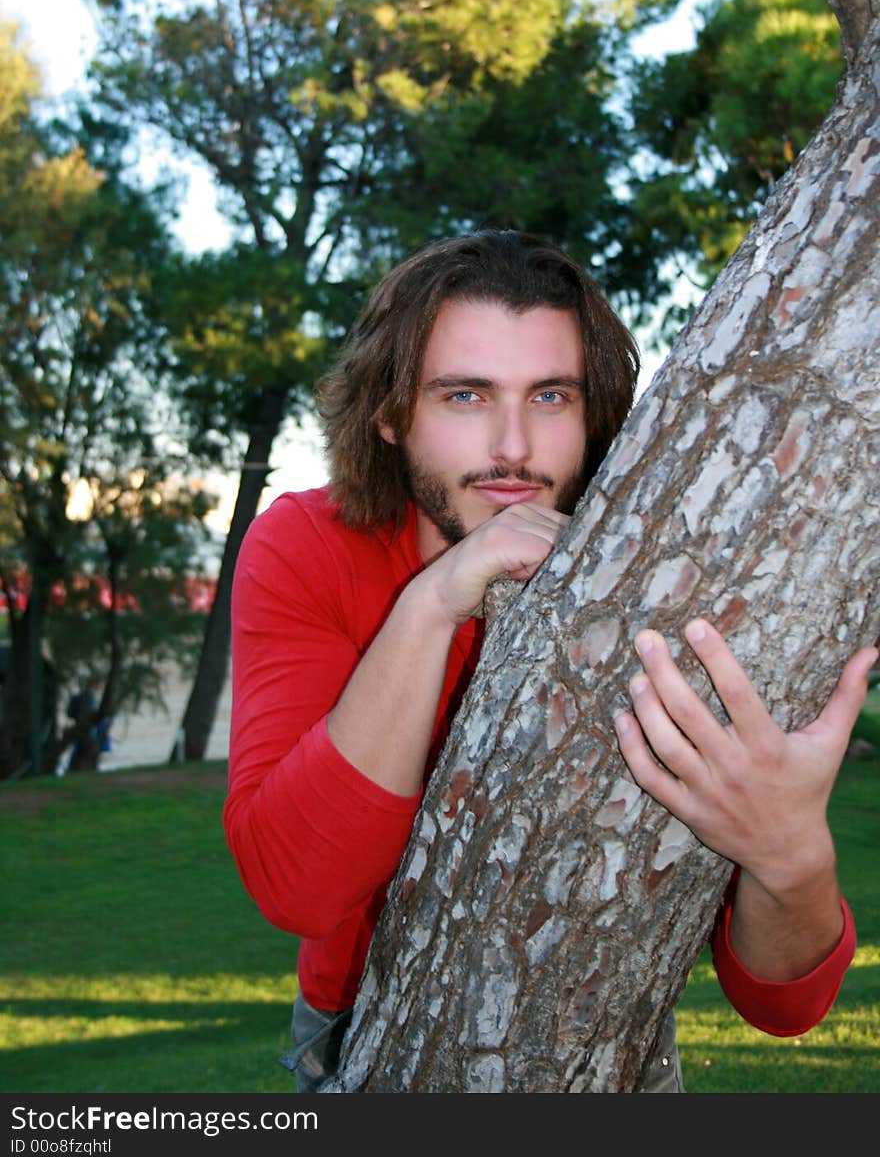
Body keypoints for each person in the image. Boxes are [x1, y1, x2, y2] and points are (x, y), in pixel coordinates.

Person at [223, 229, 876, 1093]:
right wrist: (434, 599)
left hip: (600, 1031)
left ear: (595, 414)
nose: (515, 449)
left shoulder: (660, 586)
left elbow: (784, 1007)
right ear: (388, 414)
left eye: (552, 398)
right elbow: (298, 890)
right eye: (463, 395)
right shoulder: (308, 546)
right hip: (368, 1031)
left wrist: (789, 855)